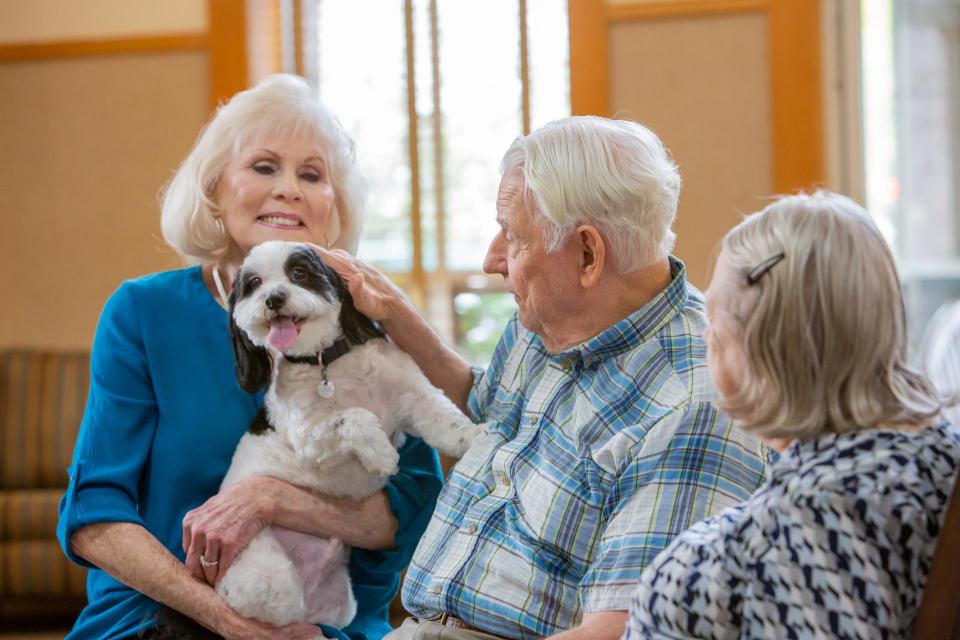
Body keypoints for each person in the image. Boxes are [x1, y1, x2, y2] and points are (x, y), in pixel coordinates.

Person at [319, 115, 769, 640]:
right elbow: (487, 403)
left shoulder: (693, 401)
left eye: (512, 237)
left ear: (586, 254)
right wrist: (395, 314)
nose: (492, 260)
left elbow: (620, 631)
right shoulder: (556, 315)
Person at [56, 74, 444, 640]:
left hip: (319, 621)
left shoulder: (372, 322)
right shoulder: (142, 312)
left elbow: (409, 511)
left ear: (332, 210)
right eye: (264, 167)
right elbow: (94, 515)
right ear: (214, 190)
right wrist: (224, 619)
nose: (289, 188)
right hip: (156, 617)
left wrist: (272, 501)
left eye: (311, 175)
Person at [622, 191, 960, 639]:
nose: (706, 339)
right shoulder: (936, 450)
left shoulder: (816, 521)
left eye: (716, 326)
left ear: (760, 346)